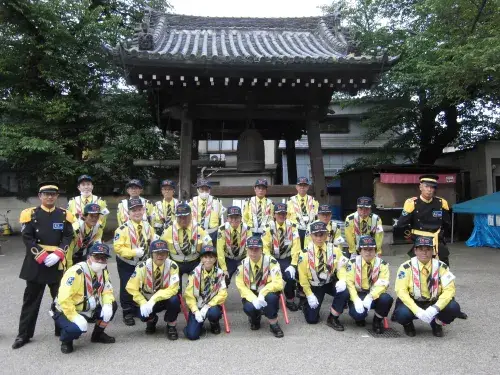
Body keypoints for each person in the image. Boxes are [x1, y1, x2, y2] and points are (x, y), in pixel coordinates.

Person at [394, 174, 467, 320]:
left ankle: (449, 305)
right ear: (420, 187)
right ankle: (402, 307)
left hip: (437, 242)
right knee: (413, 274)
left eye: (432, 187)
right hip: (420, 243)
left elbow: (447, 223)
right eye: (426, 186)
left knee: (444, 274)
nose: (429, 190)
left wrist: (440, 237)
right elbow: (401, 224)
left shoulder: (441, 203)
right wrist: (411, 236)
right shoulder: (412, 203)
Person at [12, 182, 75, 349]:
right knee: (31, 301)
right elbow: (27, 237)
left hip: (56, 263)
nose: (49, 197)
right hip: (36, 264)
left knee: (60, 299)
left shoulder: (64, 215)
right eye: (46, 194)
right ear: (40, 196)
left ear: (57, 197)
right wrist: (41, 255)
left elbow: (69, 236)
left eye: (53, 194)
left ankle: (62, 331)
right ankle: (23, 334)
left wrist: (59, 254)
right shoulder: (30, 214)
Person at [52, 243, 117, 353]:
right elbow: (64, 298)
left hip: (88, 307)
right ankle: (66, 341)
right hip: (67, 309)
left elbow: (107, 290)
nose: (100, 261)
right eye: (97, 257)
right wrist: (74, 317)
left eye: (103, 258)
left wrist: (107, 304)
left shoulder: (103, 272)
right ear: (89, 257)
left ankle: (97, 335)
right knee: (74, 329)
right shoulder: (76, 272)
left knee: (112, 306)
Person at [394, 236, 461, 337]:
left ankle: (437, 323)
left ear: (433, 251)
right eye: (421, 249)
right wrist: (417, 310)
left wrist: (436, 308)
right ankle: (408, 324)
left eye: (428, 249)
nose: (424, 252)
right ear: (415, 251)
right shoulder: (406, 267)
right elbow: (401, 291)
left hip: (434, 300)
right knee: (401, 313)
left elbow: (449, 290)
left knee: (454, 308)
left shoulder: (442, 267)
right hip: (415, 300)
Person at [298, 221, 350, 330]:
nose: (319, 238)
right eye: (316, 235)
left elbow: (341, 267)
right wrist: (309, 294)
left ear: (326, 235)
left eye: (322, 234)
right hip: (315, 285)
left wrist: (342, 280)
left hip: (329, 282)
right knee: (312, 320)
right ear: (311, 236)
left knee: (344, 291)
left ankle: (333, 318)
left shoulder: (335, 250)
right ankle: (306, 305)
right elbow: (302, 278)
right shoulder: (305, 254)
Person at [113, 198, 157, 326]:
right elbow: (118, 248)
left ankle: (137, 307)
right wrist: (133, 252)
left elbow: (152, 241)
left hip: (143, 262)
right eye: (134, 210)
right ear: (129, 213)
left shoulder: (148, 226)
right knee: (127, 285)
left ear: (143, 210)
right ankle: (127, 312)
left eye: (139, 209)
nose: (137, 212)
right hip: (127, 262)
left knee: (139, 285)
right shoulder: (122, 229)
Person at [126, 240, 181, 340]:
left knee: (175, 301)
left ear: (167, 254)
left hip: (165, 298)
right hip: (147, 298)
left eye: (163, 253)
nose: (160, 256)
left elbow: (173, 289)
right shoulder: (142, 267)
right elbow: (131, 287)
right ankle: (151, 320)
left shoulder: (173, 266)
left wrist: (155, 298)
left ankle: (171, 325)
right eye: (157, 253)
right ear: (151, 254)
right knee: (141, 314)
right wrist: (142, 302)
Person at [235, 236, 285, 338]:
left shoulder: (271, 262)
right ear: (247, 249)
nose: (253, 252)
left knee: (271, 298)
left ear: (261, 249)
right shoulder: (242, 265)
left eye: (256, 249)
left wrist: (263, 292)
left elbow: (279, 283)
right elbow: (240, 286)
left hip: (267, 292)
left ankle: (273, 323)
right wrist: (254, 299)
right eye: (251, 249)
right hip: (251, 293)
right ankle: (255, 318)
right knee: (249, 307)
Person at [345, 236, 393, 333]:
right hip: (359, 293)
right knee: (358, 315)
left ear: (375, 251)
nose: (368, 252)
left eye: (371, 249)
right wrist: (355, 299)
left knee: (386, 299)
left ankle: (377, 320)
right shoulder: (352, 263)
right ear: (360, 251)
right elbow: (349, 283)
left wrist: (371, 296)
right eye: (365, 249)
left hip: (374, 294)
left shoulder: (383, 264)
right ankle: (360, 318)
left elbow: (383, 284)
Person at [160, 203, 212, 285]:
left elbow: (209, 248)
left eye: (185, 216)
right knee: (175, 289)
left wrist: (205, 263)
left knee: (195, 288)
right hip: (175, 262)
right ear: (176, 217)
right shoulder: (168, 230)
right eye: (180, 217)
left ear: (191, 216)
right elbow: (161, 249)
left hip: (194, 261)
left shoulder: (199, 229)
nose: (183, 219)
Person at [262, 203, 301, 311]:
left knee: (291, 277)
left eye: (284, 213)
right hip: (272, 258)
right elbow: (265, 248)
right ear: (274, 215)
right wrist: (272, 262)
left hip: (286, 258)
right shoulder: (268, 227)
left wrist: (293, 264)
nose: (281, 216)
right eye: (279, 214)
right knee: (266, 278)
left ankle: (289, 299)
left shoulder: (292, 227)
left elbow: (296, 246)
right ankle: (268, 299)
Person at [183, 245, 228, 340]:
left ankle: (214, 323)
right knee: (192, 335)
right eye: (205, 257)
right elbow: (189, 295)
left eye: (211, 257)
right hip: (198, 305)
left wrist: (207, 306)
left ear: (215, 259)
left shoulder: (220, 274)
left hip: (211, 305)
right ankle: (196, 325)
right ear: (201, 259)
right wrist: (195, 311)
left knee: (214, 313)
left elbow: (222, 293)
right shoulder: (194, 273)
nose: (208, 260)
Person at [216, 206, 252, 285]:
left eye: (237, 217)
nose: (234, 220)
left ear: (241, 218)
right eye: (231, 217)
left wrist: (248, 265)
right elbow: (220, 250)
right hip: (228, 259)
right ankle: (221, 296)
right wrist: (224, 269)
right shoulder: (222, 229)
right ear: (227, 218)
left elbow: (249, 249)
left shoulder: (247, 229)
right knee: (223, 280)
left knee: (249, 279)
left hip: (242, 258)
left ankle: (247, 297)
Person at [189, 178, 225, 245]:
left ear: (210, 190)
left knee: (212, 254)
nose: (204, 191)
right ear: (198, 190)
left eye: (207, 189)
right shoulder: (191, 202)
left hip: (213, 233)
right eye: (202, 189)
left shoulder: (217, 201)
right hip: (197, 232)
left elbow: (221, 220)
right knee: (197, 253)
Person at [66, 203, 104, 268]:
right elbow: (68, 250)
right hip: (67, 256)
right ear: (84, 216)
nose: (94, 219)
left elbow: (96, 246)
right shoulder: (75, 229)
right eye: (91, 216)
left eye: (97, 216)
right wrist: (68, 267)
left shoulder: (98, 228)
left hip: (81, 255)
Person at [286, 177, 319, 248]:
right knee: (296, 252)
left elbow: (317, 218)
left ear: (308, 187)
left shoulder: (314, 201)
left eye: (304, 185)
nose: (302, 187)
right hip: (295, 231)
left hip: (310, 231)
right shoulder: (290, 201)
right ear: (296, 187)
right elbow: (287, 219)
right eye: (300, 185)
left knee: (309, 251)